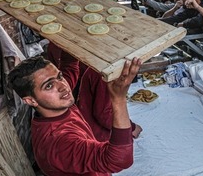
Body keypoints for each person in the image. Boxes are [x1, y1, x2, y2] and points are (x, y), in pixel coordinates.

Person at [8, 54, 141, 175]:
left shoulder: (55, 105)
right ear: (30, 100)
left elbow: (69, 67)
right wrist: (118, 99)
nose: (63, 86)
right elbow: (119, 160)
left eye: (59, 77)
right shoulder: (59, 142)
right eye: (49, 86)